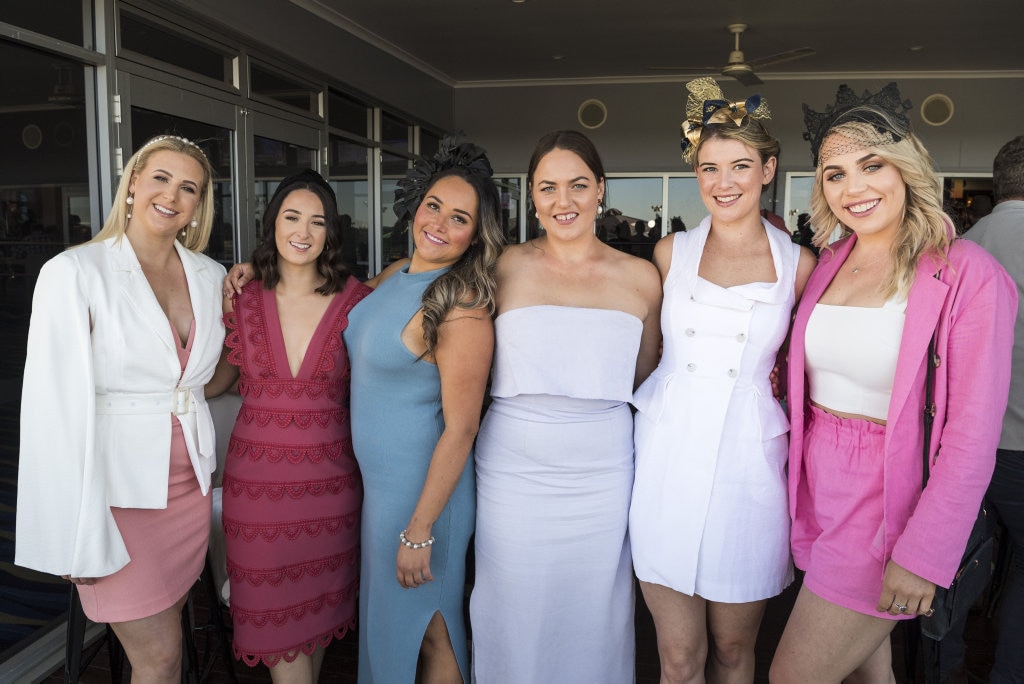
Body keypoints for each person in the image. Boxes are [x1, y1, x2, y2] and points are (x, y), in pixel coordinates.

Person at [770, 83, 1017, 682]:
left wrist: (925, 553)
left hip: (890, 502)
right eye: (835, 173)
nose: (853, 188)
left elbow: (972, 433)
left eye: (871, 165)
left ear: (906, 169)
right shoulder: (830, 259)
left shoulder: (968, 274)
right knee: (866, 671)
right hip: (818, 490)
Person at [15, 134, 225, 683]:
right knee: (159, 656)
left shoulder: (212, 275)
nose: (172, 196)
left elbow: (209, 378)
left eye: (189, 188)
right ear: (133, 183)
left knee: (163, 648)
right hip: (112, 495)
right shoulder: (74, 272)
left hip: (188, 488)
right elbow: (50, 408)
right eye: (160, 178)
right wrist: (63, 523)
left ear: (199, 204)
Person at [628, 77, 816, 683]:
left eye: (740, 165)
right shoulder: (669, 253)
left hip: (748, 468)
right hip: (667, 460)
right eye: (709, 168)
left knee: (735, 652)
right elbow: (646, 358)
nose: (723, 182)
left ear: (768, 168)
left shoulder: (800, 265)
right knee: (679, 657)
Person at [469, 130, 663, 682]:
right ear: (531, 196)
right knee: (512, 606)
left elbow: (644, 375)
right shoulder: (501, 266)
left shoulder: (642, 277)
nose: (564, 201)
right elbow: (422, 288)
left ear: (600, 190)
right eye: (548, 188)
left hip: (602, 470)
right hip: (514, 470)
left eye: (578, 185)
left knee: (595, 615)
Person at [344, 139, 504, 683]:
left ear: (475, 235)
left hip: (425, 499)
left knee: (433, 627)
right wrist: (256, 273)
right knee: (392, 626)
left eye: (459, 218)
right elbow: (325, 302)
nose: (439, 222)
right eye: (433, 205)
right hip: (382, 495)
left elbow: (462, 428)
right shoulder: (396, 275)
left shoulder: (460, 305)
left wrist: (420, 529)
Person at [206, 170, 369, 680]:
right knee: (285, 656)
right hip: (259, 498)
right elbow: (219, 379)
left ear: (331, 233)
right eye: (291, 217)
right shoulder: (242, 297)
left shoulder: (358, 303)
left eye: (316, 222)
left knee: (315, 642)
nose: (302, 231)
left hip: (333, 496)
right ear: (271, 223)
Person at [958, 135, 1024, 684]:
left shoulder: (958, 247)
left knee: (956, 564)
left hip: (964, 447)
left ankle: (944, 662)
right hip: (1022, 450)